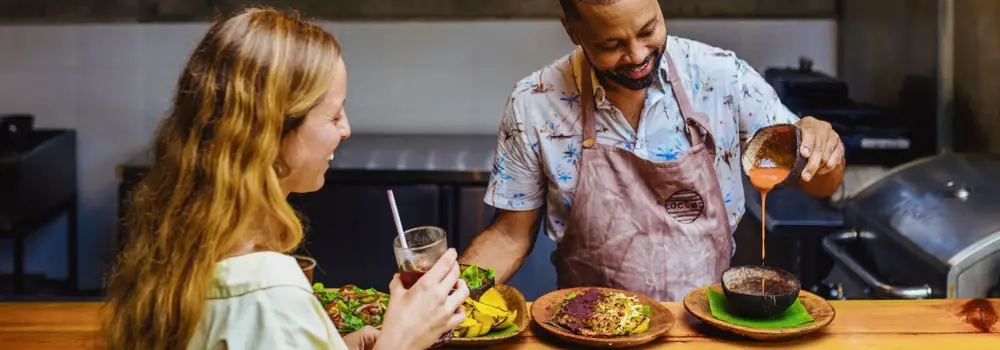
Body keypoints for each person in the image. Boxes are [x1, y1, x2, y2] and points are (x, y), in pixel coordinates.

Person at [102, 7, 468, 350]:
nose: (346, 129)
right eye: (334, 115)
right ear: (271, 134)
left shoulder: (182, 248)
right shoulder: (266, 296)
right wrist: (400, 341)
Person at [459, 0, 845, 302]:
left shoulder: (723, 78)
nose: (638, 55)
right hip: (587, 329)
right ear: (572, 30)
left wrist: (826, 152)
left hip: (704, 325)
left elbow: (821, 185)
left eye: (649, 30)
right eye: (611, 45)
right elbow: (509, 236)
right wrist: (447, 295)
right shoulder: (535, 103)